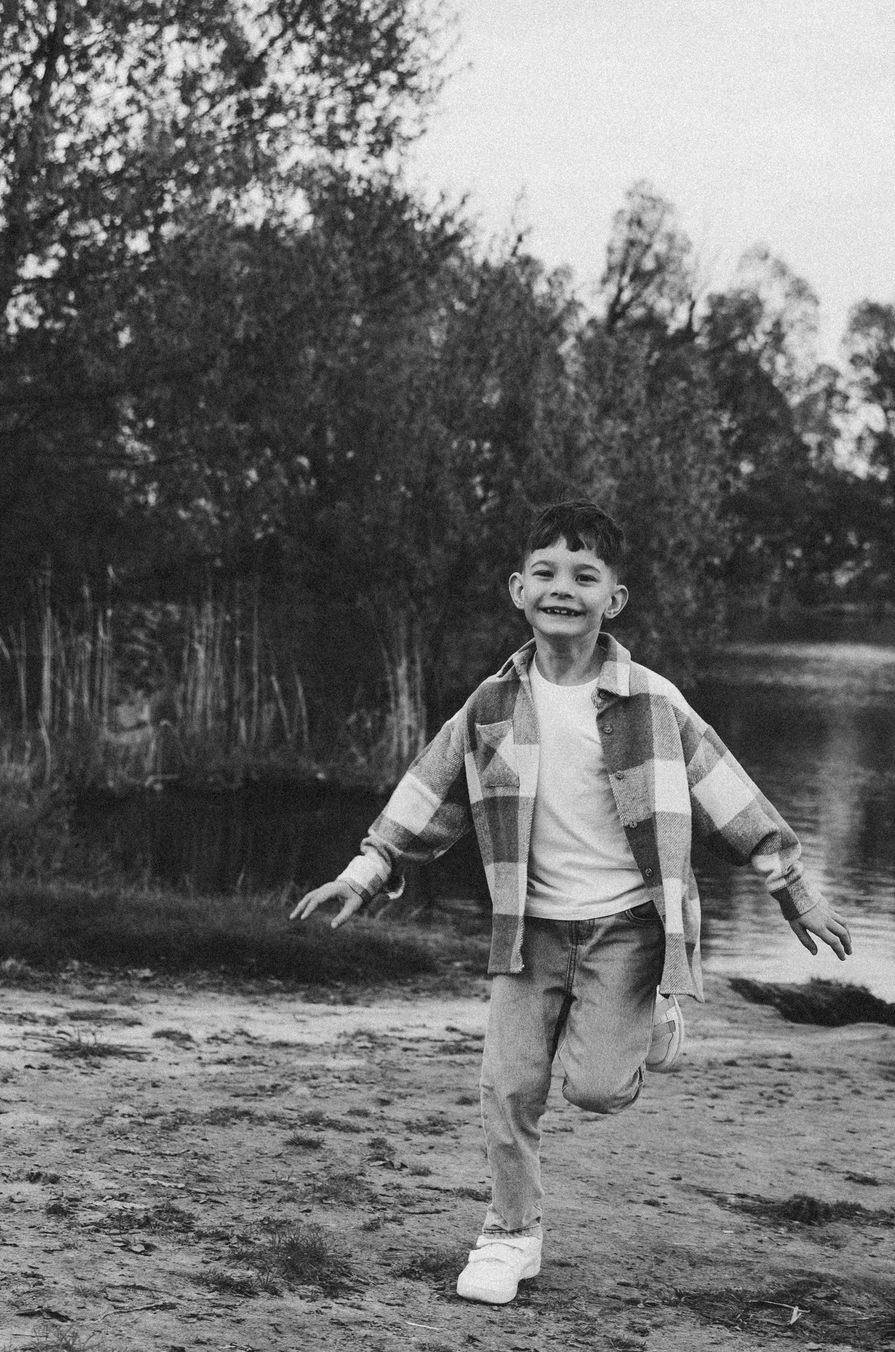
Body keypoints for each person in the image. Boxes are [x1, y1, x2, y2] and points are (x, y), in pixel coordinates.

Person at [291, 499, 851, 1305]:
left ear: (612, 600)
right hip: (530, 927)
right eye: (547, 573)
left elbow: (729, 794)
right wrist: (365, 870)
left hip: (628, 926)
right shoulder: (490, 704)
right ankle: (510, 1233)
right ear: (519, 590)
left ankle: (655, 1015)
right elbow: (427, 790)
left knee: (594, 1088)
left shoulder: (653, 700)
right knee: (508, 1083)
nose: (564, 588)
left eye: (585, 575)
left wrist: (792, 890)